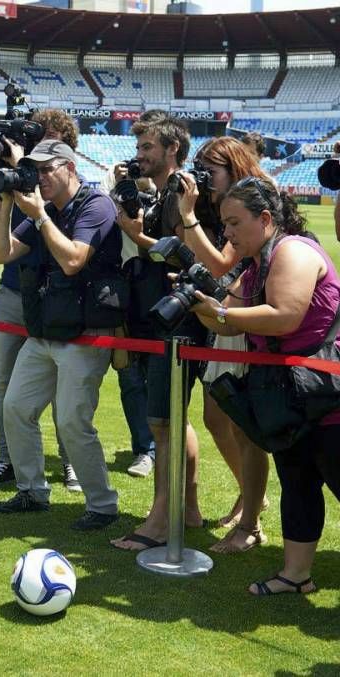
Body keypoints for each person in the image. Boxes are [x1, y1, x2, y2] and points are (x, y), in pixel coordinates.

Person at [191, 175, 340, 595]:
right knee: (297, 481)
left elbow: (283, 315)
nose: (228, 232)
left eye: (235, 222)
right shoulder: (257, 264)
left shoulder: (292, 250)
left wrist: (220, 315)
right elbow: (225, 309)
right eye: (225, 223)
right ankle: (295, 576)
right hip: (295, 397)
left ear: (266, 218)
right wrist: (197, 298)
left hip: (327, 395)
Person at [0, 139, 121, 531]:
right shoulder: (43, 209)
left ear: (69, 168)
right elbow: (0, 254)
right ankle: (31, 490)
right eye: (35, 171)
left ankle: (102, 504)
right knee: (15, 407)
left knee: (71, 421)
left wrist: (41, 215)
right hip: (46, 329)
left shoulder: (95, 205)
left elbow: (75, 259)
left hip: (85, 333)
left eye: (47, 170)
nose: (40, 177)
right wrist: (10, 203)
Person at [0, 108, 84, 492]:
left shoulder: (57, 186)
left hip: (57, 298)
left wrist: (22, 166)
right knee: (4, 384)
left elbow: (42, 211)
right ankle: (9, 461)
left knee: (59, 387)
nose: (37, 149)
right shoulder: (17, 175)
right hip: (14, 289)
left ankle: (70, 463)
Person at [112, 110, 206, 551]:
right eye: (138, 147)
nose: (139, 155)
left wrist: (136, 234)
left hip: (176, 322)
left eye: (148, 147)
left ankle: (159, 522)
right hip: (161, 317)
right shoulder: (167, 190)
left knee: (162, 422)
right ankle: (185, 509)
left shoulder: (183, 192)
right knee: (173, 418)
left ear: (172, 150)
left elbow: (185, 257)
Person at [177, 136, 271, 553]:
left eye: (209, 170)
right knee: (218, 417)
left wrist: (187, 216)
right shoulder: (225, 201)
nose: (203, 178)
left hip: (248, 320)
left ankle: (250, 517)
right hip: (229, 311)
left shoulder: (252, 200)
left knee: (246, 426)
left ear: (233, 168)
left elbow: (219, 264)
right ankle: (250, 496)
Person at [102, 165, 157, 478]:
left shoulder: (165, 199)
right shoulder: (112, 199)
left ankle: (161, 447)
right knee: (130, 377)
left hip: (157, 294)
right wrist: (117, 177)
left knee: (160, 380)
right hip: (123, 294)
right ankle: (144, 448)